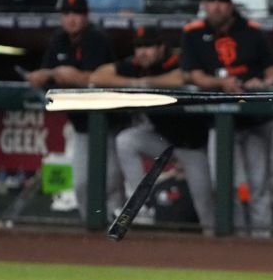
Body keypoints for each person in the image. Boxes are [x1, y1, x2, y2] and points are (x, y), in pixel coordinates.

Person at [90, 26, 215, 235]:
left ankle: (221, 253)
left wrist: (145, 84)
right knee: (126, 140)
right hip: (163, 140)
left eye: (148, 46)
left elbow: (180, 77)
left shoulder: (175, 60)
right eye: (139, 47)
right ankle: (142, 204)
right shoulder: (136, 66)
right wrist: (133, 83)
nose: (142, 52)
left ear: (160, 47)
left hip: (193, 145)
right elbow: (99, 76)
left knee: (206, 210)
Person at [180, 0, 273, 237]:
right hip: (220, 120)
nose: (216, 6)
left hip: (255, 117)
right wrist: (221, 83)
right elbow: (194, 76)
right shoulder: (193, 32)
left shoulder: (251, 31)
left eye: (221, 1)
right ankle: (232, 241)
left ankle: (261, 239)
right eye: (211, 1)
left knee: (258, 184)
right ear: (204, 4)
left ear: (230, 5)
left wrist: (262, 84)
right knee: (226, 184)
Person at [24, 0, 123, 221]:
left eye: (77, 14)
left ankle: (118, 242)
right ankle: (91, 235)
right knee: (80, 184)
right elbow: (49, 74)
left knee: (109, 185)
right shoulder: (59, 39)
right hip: (81, 126)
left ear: (86, 16)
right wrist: (44, 75)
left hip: (108, 126)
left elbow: (102, 78)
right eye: (67, 14)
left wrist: (74, 76)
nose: (71, 19)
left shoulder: (97, 39)